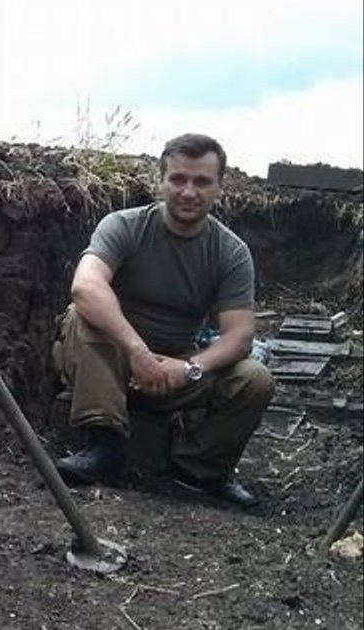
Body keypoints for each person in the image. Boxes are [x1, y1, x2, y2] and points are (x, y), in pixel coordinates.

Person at [53, 133, 274, 507]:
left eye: (202, 181)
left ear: (219, 188)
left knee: (255, 379)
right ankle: (104, 444)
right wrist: (137, 352)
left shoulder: (231, 252)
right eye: (178, 179)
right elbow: (86, 286)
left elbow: (239, 336)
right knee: (82, 314)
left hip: (176, 370)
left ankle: (199, 469)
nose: (188, 192)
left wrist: (188, 369)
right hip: (109, 360)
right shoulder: (123, 226)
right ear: (161, 181)